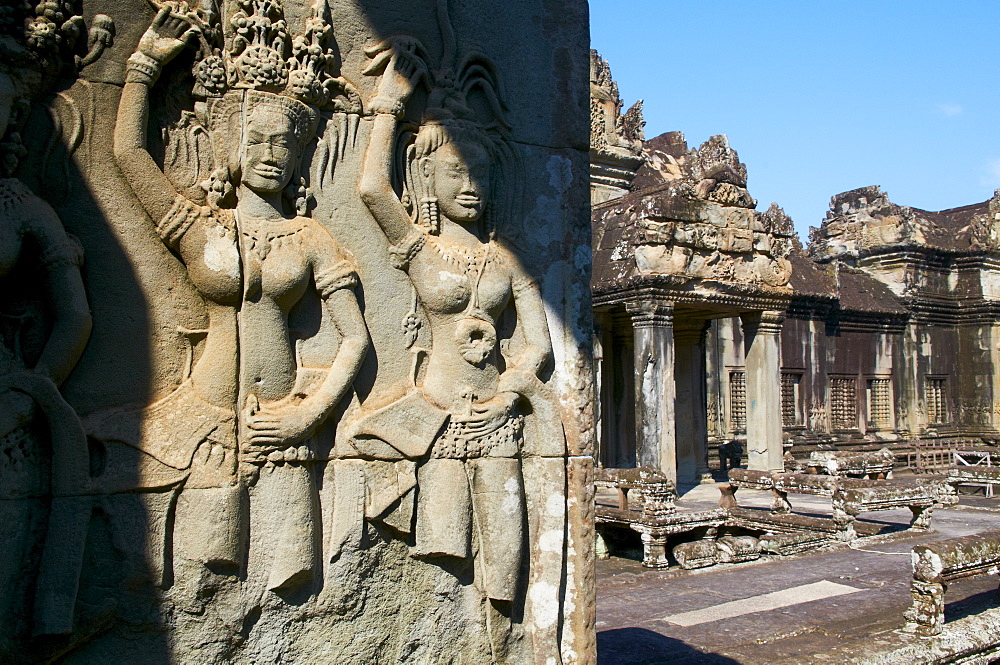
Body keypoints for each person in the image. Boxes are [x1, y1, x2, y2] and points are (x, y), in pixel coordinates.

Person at [109, 3, 368, 599]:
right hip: (205, 415)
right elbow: (128, 156)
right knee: (199, 577)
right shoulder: (202, 228)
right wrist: (144, 67)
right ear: (233, 146)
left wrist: (309, 413)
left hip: (282, 424)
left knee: (289, 573)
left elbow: (355, 337)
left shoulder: (310, 238)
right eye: (257, 139)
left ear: (300, 155)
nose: (272, 152)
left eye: (284, 142)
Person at [353, 38, 557, 615]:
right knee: (441, 567)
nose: (470, 186)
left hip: (495, 418)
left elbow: (536, 344)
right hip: (436, 418)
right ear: (430, 181)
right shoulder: (422, 250)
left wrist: (508, 395)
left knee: (505, 572)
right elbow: (371, 190)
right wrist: (389, 106)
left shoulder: (506, 260)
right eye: (456, 173)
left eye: (480, 174)